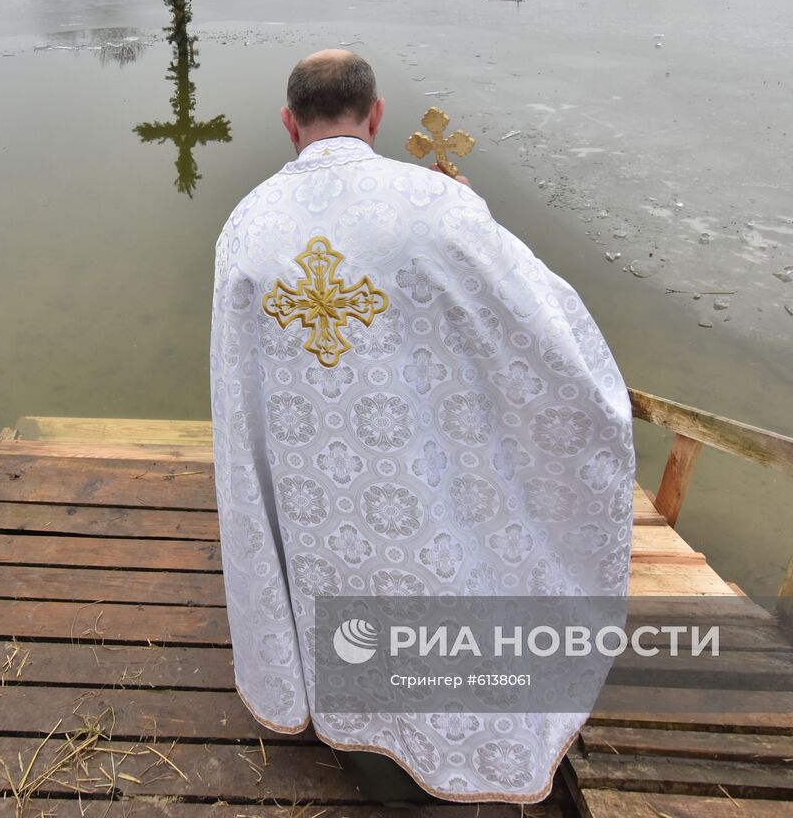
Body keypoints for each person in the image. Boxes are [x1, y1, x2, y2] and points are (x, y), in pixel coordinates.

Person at [209, 50, 635, 803]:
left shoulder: (246, 225)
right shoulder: (436, 203)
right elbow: (536, 325)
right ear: (375, 115)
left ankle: (351, 725)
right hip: (420, 467)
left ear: (289, 125)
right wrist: (479, 215)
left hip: (312, 487)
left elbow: (238, 392)